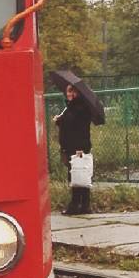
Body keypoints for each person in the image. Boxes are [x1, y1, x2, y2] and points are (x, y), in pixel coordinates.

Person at [54, 84, 93, 215]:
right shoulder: (71, 107)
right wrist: (59, 121)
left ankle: (76, 205)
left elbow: (81, 129)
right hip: (71, 146)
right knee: (79, 174)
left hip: (78, 147)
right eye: (68, 91)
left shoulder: (81, 108)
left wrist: (80, 148)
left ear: (78, 92)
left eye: (72, 91)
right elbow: (69, 125)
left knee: (78, 175)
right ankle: (83, 205)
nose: (69, 94)